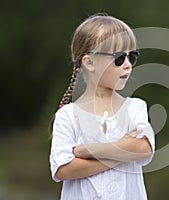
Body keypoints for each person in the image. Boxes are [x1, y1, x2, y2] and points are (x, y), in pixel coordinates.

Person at [49, 14, 155, 200]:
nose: (128, 65)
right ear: (89, 62)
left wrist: (87, 151)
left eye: (133, 57)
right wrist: (121, 153)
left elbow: (143, 148)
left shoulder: (135, 107)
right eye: (120, 58)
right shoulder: (67, 115)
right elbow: (64, 169)